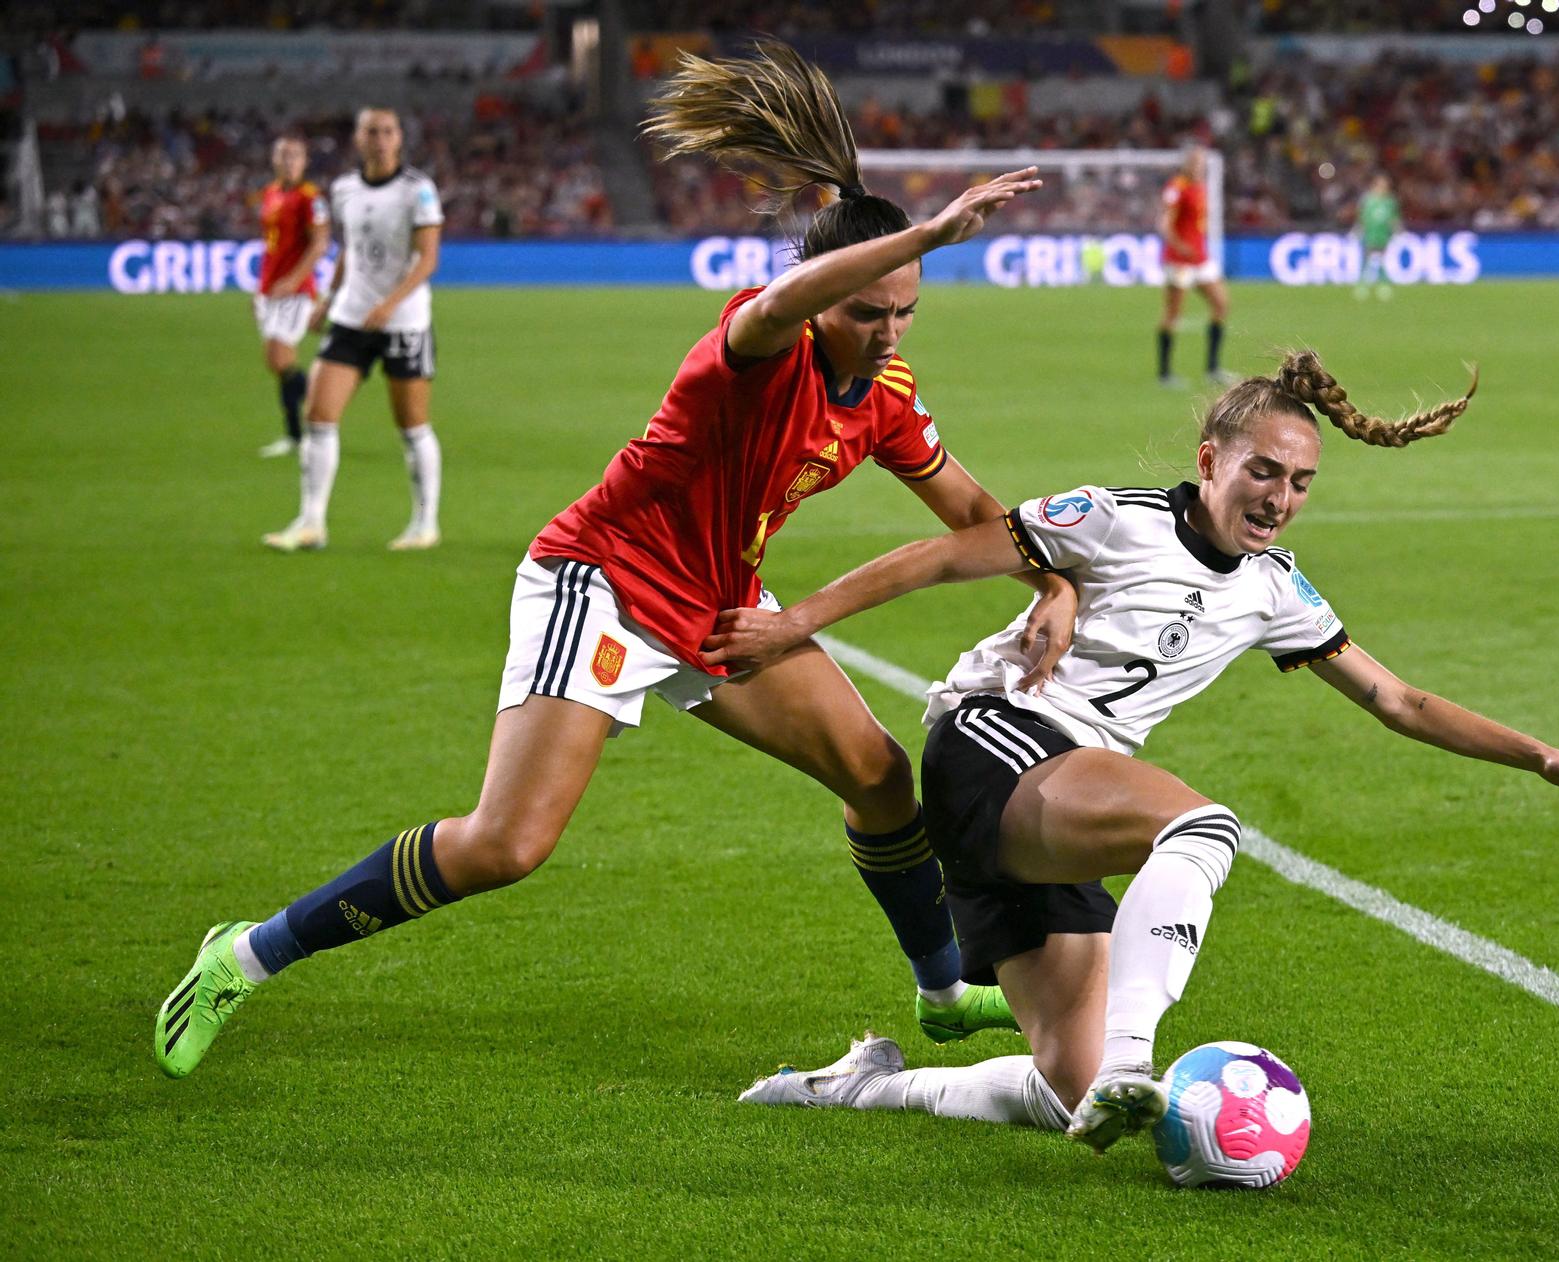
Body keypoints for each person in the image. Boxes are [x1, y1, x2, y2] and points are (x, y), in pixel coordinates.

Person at [154, 45, 1073, 1079]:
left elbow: (969, 510)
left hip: (720, 602)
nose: (886, 330)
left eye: (905, 309)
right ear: (822, 297)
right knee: (506, 843)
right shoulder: (752, 341)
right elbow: (778, 305)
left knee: (874, 772)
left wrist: (1052, 578)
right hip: (604, 580)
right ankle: (245, 953)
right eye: (868, 309)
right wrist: (927, 232)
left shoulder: (887, 392)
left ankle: (944, 993)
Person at [710, 351, 1559, 1151]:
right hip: (992, 741)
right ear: (1211, 461)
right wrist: (793, 623)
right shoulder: (1116, 517)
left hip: (1065, 798)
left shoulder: (1276, 589)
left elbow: (1398, 699)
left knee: (1063, 1092)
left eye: (1299, 484)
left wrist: (1539, 758)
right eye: (1262, 473)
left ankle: (864, 1087)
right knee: (1202, 828)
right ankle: (1136, 1062)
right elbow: (945, 554)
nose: (1279, 499)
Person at [262, 107, 444, 553]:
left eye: (387, 131)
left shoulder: (417, 191)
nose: (379, 139)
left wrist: (390, 304)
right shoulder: (343, 189)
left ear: (398, 138)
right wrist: (327, 297)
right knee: (319, 416)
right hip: (351, 316)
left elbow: (428, 259)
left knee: (412, 425)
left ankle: (425, 524)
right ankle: (311, 523)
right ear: (358, 140)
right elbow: (350, 251)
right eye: (371, 132)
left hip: (404, 322)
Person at [251, 136, 331, 459]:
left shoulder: (310, 197)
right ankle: (297, 434)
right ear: (274, 159)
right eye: (283, 154)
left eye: (295, 155)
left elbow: (320, 243)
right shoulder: (270, 193)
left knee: (279, 356)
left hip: (296, 291)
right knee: (277, 362)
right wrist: (262, 287)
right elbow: (271, 246)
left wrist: (294, 279)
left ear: (305, 161)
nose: (289, 160)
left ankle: (323, 407)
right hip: (270, 289)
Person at [1155, 144, 1228, 387]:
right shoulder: (1177, 187)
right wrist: (1179, 245)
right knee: (1173, 314)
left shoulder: (1199, 187)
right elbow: (1164, 224)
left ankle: (1213, 368)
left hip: (1200, 258)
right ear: (1186, 164)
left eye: (1202, 164)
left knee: (1220, 304)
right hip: (1178, 259)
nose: (1199, 167)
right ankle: (1165, 373)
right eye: (1196, 163)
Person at [1355, 173, 1401, 301]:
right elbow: (1362, 218)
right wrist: (1358, 231)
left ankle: (1383, 284)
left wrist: (1398, 231)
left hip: (1383, 234)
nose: (1383, 187)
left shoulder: (1390, 201)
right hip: (1370, 234)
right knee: (1367, 259)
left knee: (1381, 259)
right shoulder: (1368, 200)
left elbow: (1394, 219)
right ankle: (1362, 285)